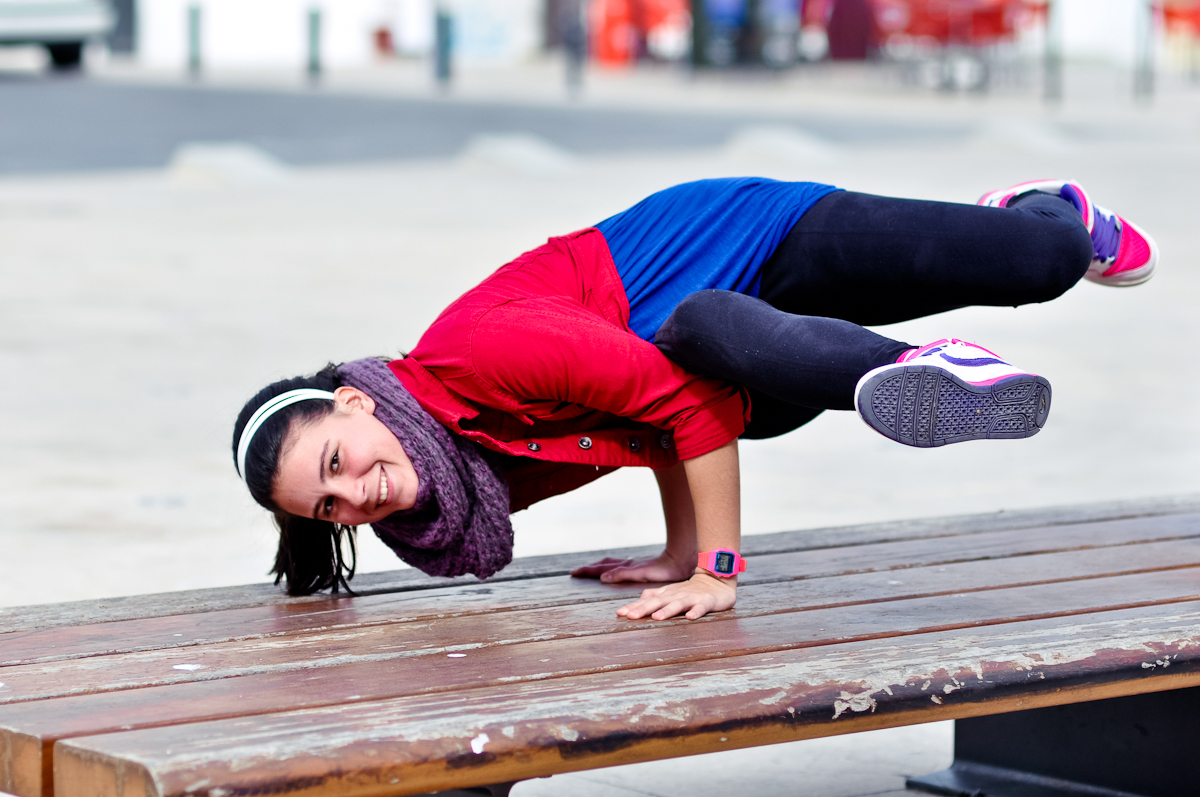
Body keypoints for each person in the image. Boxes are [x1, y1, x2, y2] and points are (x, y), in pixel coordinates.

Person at [232, 177, 1158, 621]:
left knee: (1039, 263)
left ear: (353, 402)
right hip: (753, 358)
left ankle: (1039, 209)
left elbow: (682, 411)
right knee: (704, 339)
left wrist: (717, 566)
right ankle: (917, 367)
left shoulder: (479, 353)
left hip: (752, 242)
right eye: (329, 506)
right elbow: (653, 427)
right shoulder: (468, 479)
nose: (355, 496)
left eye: (337, 464)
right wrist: (679, 553)